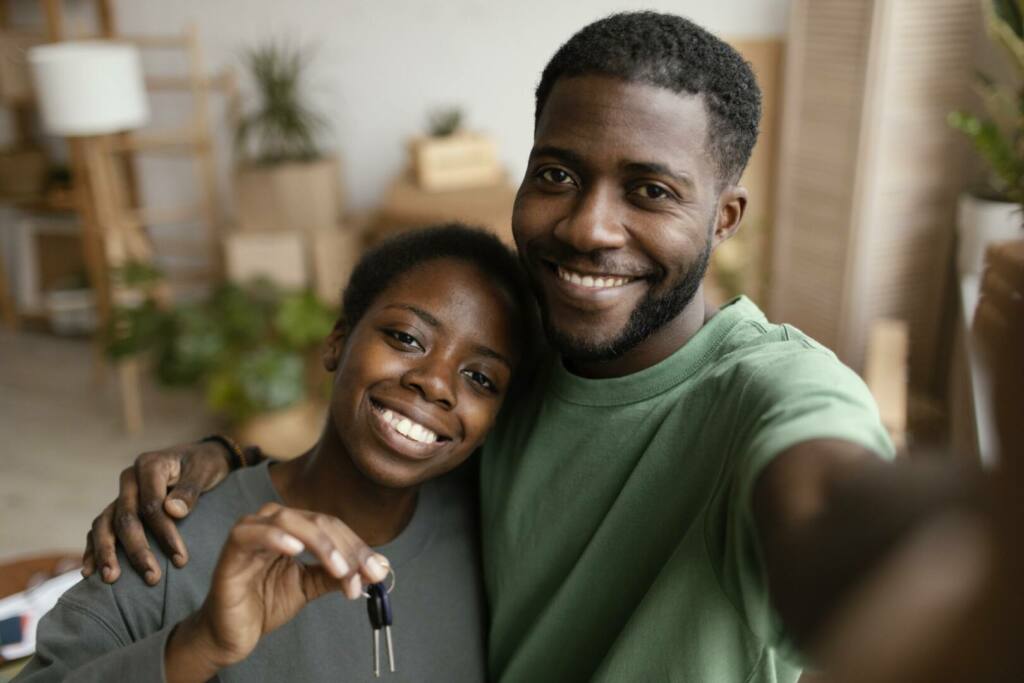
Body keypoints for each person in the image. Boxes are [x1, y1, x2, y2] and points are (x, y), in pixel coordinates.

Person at [72, 11, 977, 682]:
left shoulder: (778, 391)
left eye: (651, 190)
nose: (588, 228)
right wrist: (223, 466)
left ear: (724, 217)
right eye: (557, 174)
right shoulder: (531, 359)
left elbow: (820, 497)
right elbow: (399, 427)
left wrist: (946, 563)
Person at [16, 224, 538, 682]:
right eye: (406, 337)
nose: (435, 384)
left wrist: (227, 450)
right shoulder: (167, 546)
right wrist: (198, 646)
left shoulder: (493, 527)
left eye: (480, 378)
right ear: (337, 341)